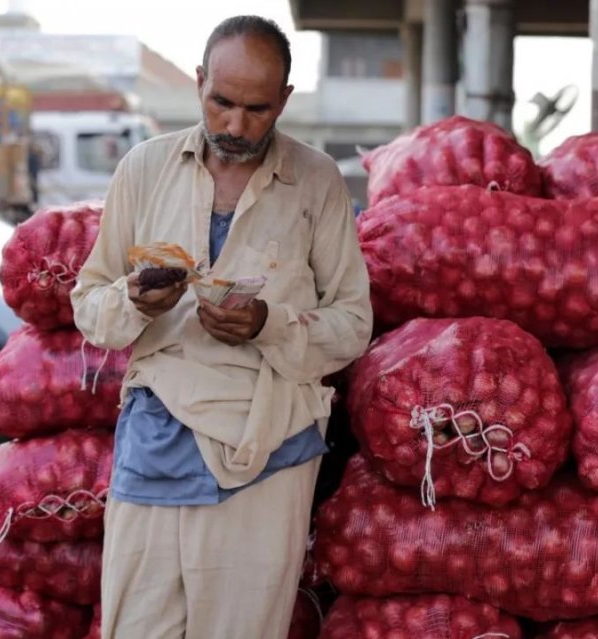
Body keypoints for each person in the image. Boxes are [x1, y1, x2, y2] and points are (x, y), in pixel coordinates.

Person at [71, 15, 373, 639]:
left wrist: (269, 323)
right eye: (222, 103)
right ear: (200, 82)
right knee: (139, 625)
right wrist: (134, 302)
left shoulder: (316, 181)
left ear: (285, 100)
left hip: (270, 438)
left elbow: (352, 325)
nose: (235, 126)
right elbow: (90, 306)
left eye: (257, 109)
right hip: (157, 429)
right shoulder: (144, 168)